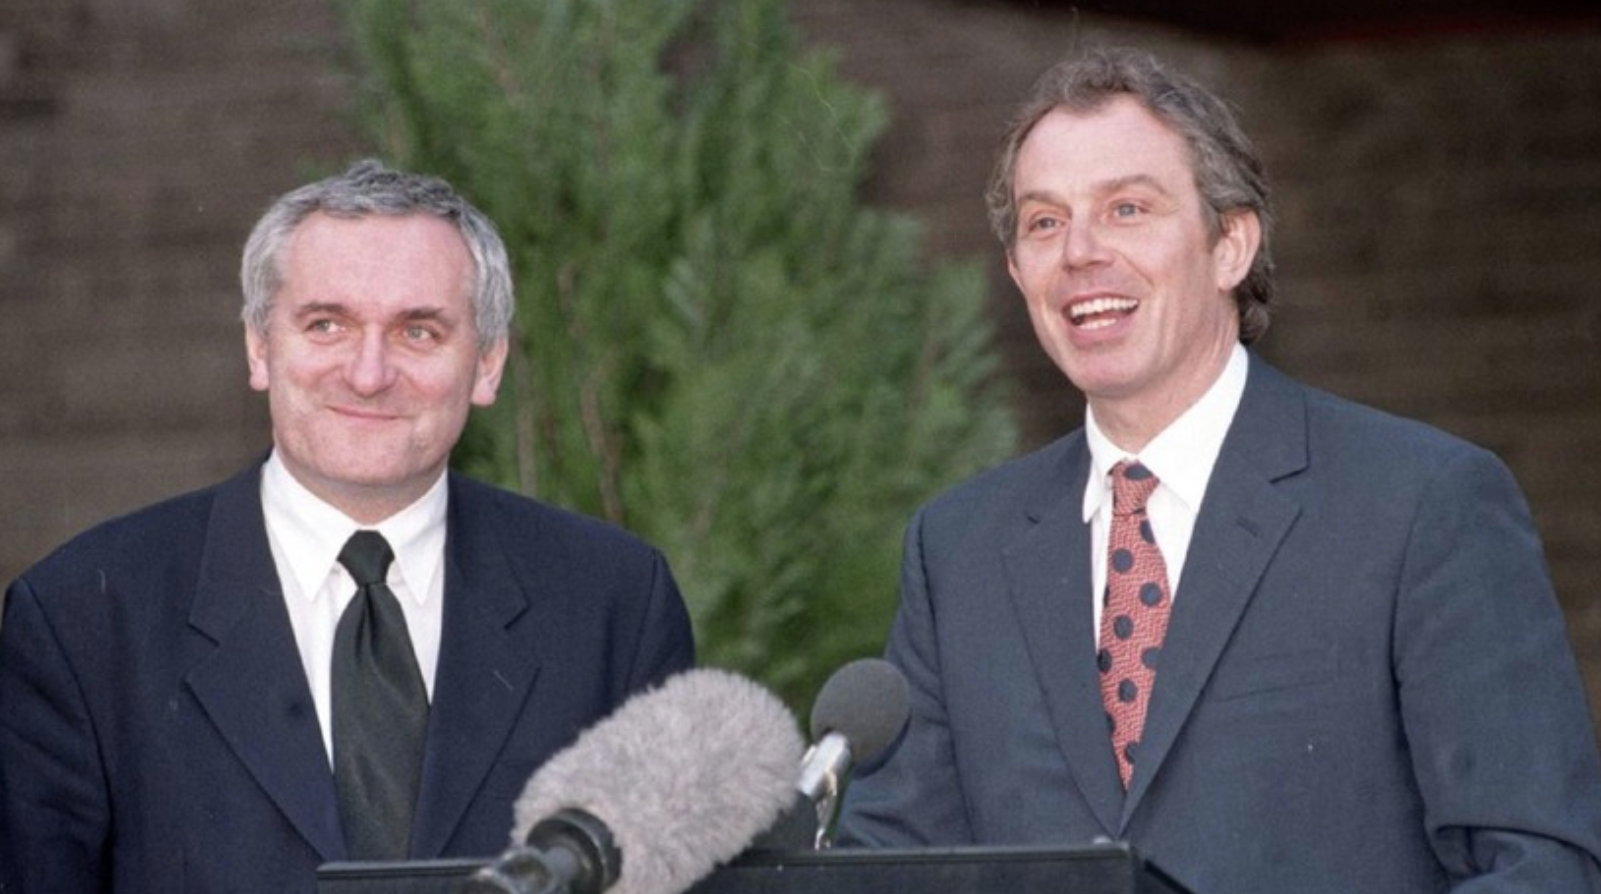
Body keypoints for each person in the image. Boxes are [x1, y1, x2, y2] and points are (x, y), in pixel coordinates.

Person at [836, 47, 1601, 894]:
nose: (1079, 252)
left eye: (1127, 209)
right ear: (1016, 270)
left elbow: (1538, 868)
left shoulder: (1419, 505)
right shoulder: (958, 549)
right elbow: (889, 868)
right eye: (1043, 222)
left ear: (1230, 244)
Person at [0, 160, 695, 894]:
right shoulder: (84, 619)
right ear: (259, 347)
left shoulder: (613, 603)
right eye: (326, 325)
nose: (368, 374)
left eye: (418, 331)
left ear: (487, 364)